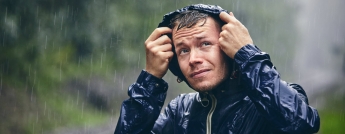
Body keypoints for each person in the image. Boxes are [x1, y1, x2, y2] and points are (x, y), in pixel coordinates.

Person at [114, 4, 320, 134]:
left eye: (205, 44)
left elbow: (301, 124)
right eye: (183, 50)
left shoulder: (270, 104)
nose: (193, 59)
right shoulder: (179, 112)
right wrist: (150, 80)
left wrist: (247, 55)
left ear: (229, 49)